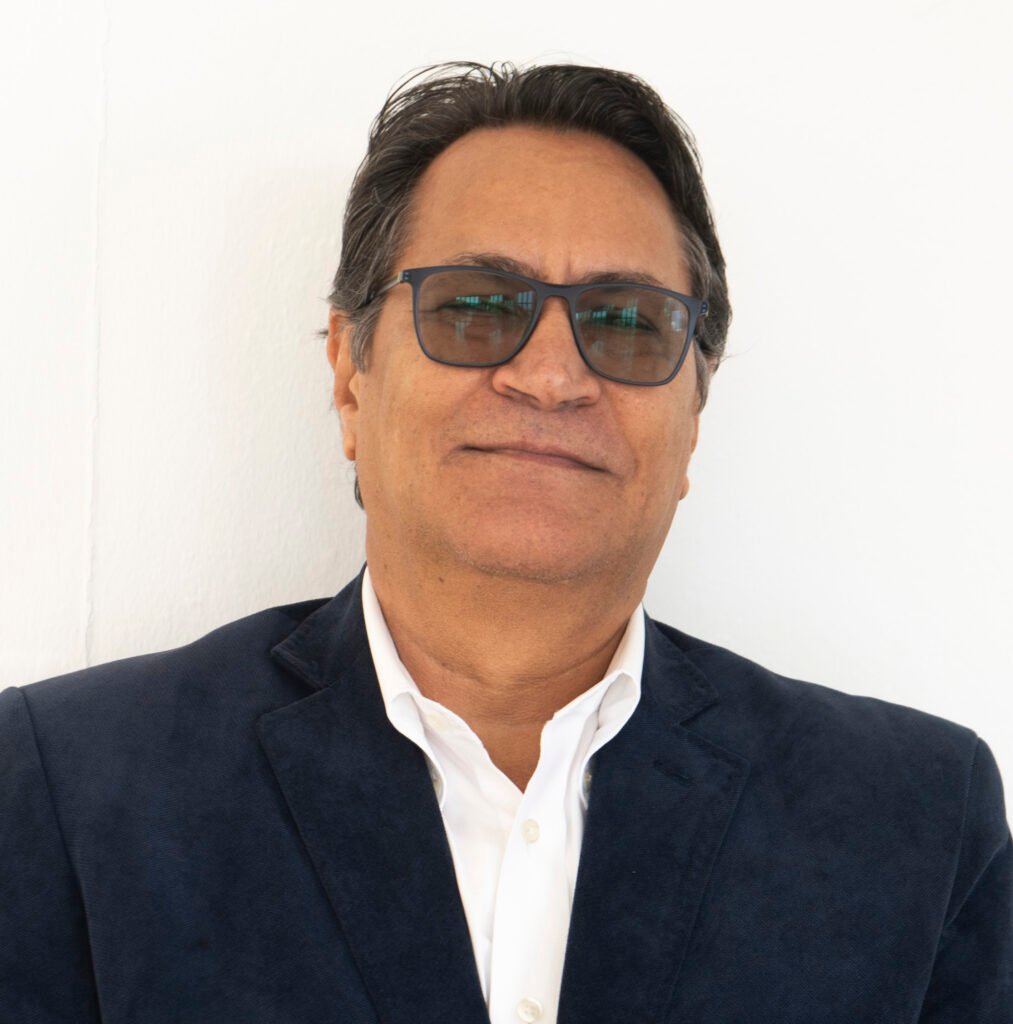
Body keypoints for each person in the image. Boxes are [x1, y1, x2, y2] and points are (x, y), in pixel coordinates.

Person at [1, 61, 1010, 1024]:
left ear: (693, 416)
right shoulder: (72, 789)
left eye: (625, 322)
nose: (551, 377)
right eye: (477, 307)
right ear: (349, 375)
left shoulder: (913, 821)